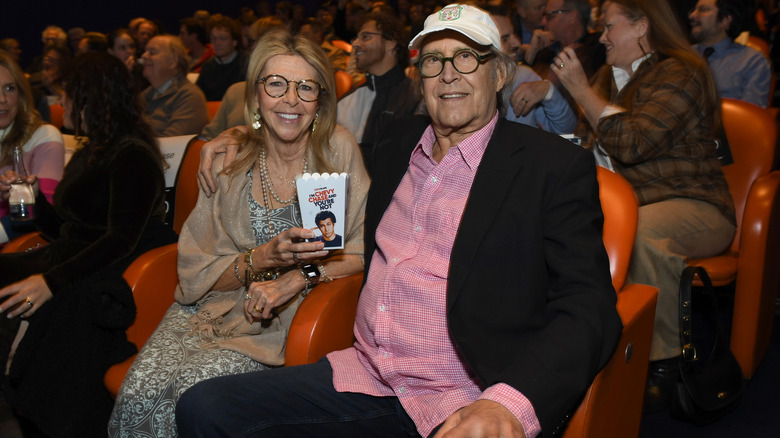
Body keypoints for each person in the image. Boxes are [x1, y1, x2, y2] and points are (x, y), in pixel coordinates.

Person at [176, 4, 621, 437]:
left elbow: (589, 307)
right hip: (366, 378)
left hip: (466, 398)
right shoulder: (397, 142)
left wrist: (507, 403)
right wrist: (238, 134)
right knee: (205, 407)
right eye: (433, 61)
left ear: (500, 73)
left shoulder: (552, 167)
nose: (449, 74)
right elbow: (316, 145)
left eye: (467, 57)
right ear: (418, 76)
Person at [108, 29, 369, 437]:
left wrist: (298, 276)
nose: (290, 100)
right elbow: (197, 270)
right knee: (138, 390)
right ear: (257, 95)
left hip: (280, 320)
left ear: (320, 100)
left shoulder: (335, 150)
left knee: (189, 394)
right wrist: (261, 258)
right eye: (276, 84)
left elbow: (362, 250)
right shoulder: (232, 157)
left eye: (306, 87)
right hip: (208, 309)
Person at [552, 0, 736, 412]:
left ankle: (663, 365)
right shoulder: (607, 76)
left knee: (643, 236)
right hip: (626, 205)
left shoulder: (680, 72)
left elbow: (632, 144)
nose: (601, 37)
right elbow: (589, 147)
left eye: (609, 26)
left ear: (641, 27)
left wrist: (580, 90)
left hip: (694, 204)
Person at [0, 52, 177, 437]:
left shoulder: (132, 155)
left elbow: (119, 239)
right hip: (69, 255)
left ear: (91, 99)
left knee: (18, 307)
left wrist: (50, 283)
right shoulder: (92, 148)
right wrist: (32, 199)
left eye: (69, 96)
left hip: (100, 269)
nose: (62, 104)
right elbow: (67, 226)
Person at [337, 11, 422, 172]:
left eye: (366, 37)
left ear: (390, 43)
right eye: (356, 37)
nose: (355, 43)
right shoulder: (346, 101)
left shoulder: (417, 97)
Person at [0, 52, 64, 245]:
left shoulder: (44, 136)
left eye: (9, 88)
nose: (2, 99)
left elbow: (40, 214)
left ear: (20, 94)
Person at [485, 5, 577, 134]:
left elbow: (566, 131)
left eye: (514, 34)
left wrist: (549, 92)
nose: (517, 43)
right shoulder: (462, 88)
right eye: (505, 39)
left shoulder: (523, 77)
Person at [689, 0, 771, 107]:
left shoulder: (752, 62)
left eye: (703, 10)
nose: (692, 15)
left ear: (724, 20)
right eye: (694, 10)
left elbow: (749, 115)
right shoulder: (684, 55)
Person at [525, 0, 606, 90]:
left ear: (572, 17)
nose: (543, 22)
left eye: (550, 16)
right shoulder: (547, 51)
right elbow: (523, 90)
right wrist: (531, 53)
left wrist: (559, 67)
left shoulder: (597, 49)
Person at [140, 35, 210, 137]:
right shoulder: (145, 95)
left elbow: (173, 144)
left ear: (173, 61)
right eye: (145, 51)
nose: (144, 56)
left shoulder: (189, 96)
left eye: (152, 52)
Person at [196, 17, 248, 101]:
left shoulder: (246, 63)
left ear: (234, 41)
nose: (217, 43)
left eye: (223, 38)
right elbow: (198, 96)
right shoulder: (207, 66)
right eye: (213, 39)